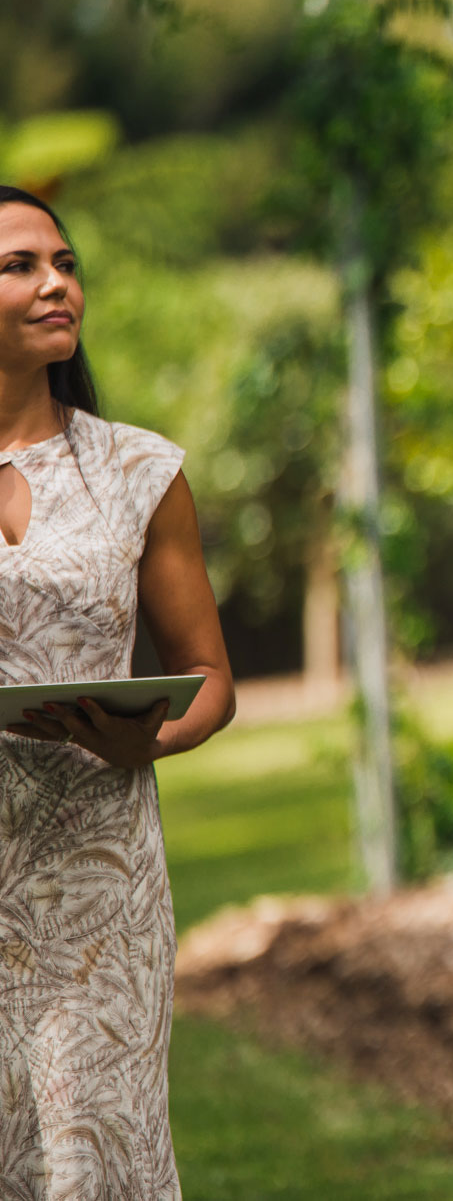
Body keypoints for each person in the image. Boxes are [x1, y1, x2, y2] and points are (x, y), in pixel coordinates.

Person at [0, 185, 236, 1198]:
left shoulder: (139, 469)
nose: (58, 283)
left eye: (66, 262)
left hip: (97, 888)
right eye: (20, 265)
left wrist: (156, 738)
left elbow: (213, 678)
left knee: (85, 1162)